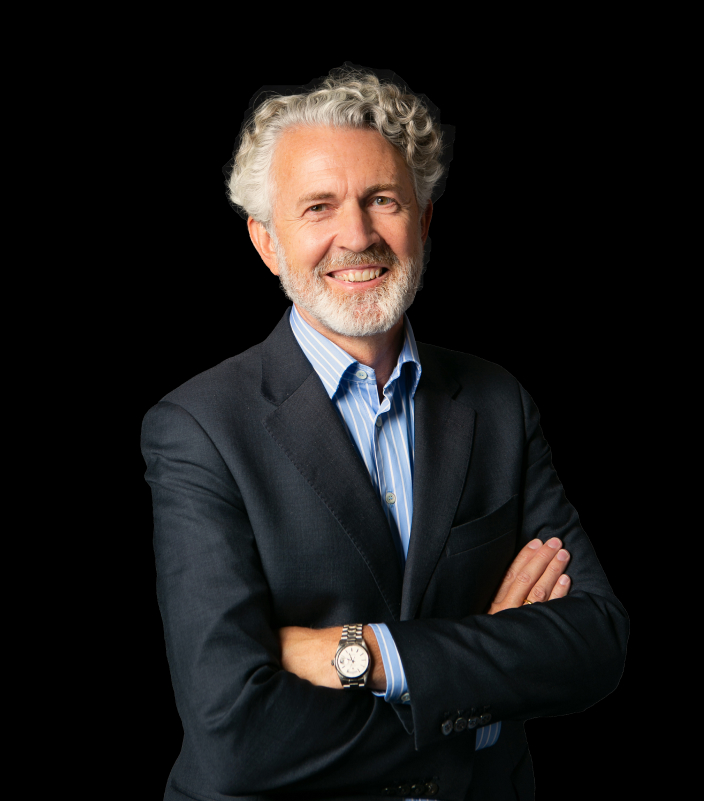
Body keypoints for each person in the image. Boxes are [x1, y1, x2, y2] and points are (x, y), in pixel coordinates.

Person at [141, 66, 628, 801]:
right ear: (267, 242)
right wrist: (477, 700)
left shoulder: (498, 403)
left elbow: (596, 642)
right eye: (318, 207)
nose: (357, 235)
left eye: (383, 200)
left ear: (424, 221)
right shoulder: (198, 428)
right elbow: (237, 735)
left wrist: (364, 653)